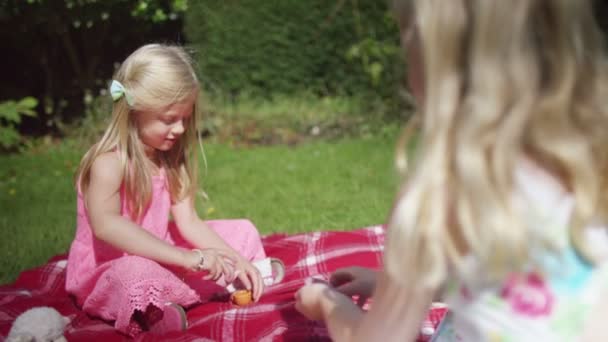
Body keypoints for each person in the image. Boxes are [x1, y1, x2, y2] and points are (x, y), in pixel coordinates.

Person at [295, 0, 608, 340]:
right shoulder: (590, 171)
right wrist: (414, 286)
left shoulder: (439, 194)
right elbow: (516, 296)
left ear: (433, 61)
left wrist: (330, 306)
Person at [65, 44, 282, 337]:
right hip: (110, 268)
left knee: (240, 231)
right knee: (135, 274)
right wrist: (188, 258)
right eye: (169, 119)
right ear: (135, 111)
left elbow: (189, 222)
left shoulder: (170, 159)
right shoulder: (108, 163)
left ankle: (241, 273)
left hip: (164, 250)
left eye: (185, 118)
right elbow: (107, 226)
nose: (180, 129)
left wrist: (233, 256)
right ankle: (156, 314)